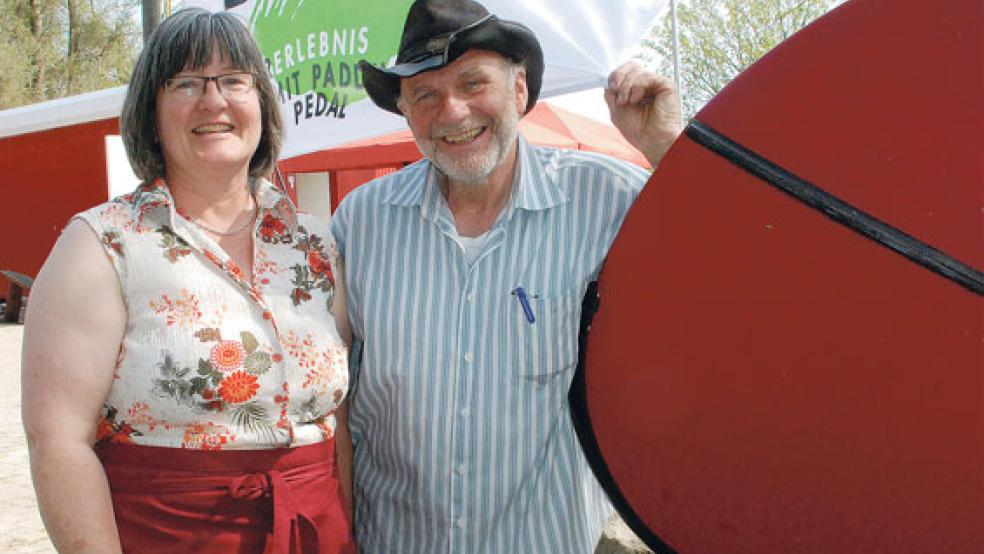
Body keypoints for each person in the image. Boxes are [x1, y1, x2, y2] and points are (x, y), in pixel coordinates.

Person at [332, 0, 682, 552]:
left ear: (519, 91)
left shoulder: (607, 199)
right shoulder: (359, 220)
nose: (452, 112)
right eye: (425, 94)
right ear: (404, 111)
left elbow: (733, 265)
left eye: (474, 83)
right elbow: (337, 401)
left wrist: (667, 148)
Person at [21, 8, 354, 553]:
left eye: (234, 81)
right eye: (186, 83)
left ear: (262, 105)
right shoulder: (103, 245)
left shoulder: (315, 245)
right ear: (151, 111)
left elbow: (336, 424)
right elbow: (60, 442)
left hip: (316, 533)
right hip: (169, 536)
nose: (214, 100)